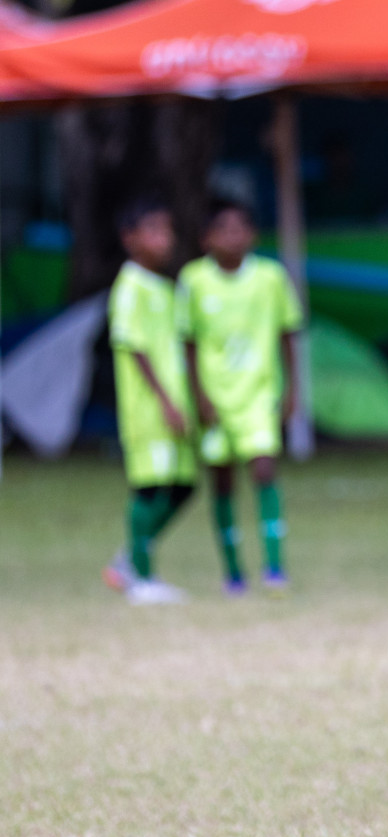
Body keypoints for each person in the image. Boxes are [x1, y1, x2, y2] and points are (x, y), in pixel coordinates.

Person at [179, 199, 303, 595]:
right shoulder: (194, 280)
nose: (233, 237)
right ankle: (233, 572)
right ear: (207, 239)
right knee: (222, 482)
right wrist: (198, 395)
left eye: (240, 228)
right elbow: (188, 343)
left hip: (258, 394)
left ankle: (274, 567)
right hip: (215, 397)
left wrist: (292, 389)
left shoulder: (270, 277)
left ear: (252, 235)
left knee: (265, 470)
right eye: (224, 229)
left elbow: (289, 335)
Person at [102, 198, 198, 606]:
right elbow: (135, 348)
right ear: (130, 239)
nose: (164, 239)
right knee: (149, 488)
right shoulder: (130, 286)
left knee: (184, 487)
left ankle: (127, 560)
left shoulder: (165, 286)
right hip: (149, 410)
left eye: (167, 230)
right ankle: (140, 578)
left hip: (176, 406)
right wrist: (164, 401)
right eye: (153, 230)